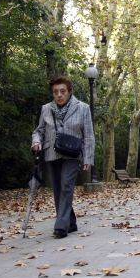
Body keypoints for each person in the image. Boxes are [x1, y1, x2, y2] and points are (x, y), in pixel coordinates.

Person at [31, 77, 95, 239]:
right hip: (52, 153)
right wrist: (36, 141)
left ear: (69, 91)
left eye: (62, 91)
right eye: (55, 92)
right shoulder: (46, 109)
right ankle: (71, 222)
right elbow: (39, 131)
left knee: (66, 185)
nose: (59, 95)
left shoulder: (83, 108)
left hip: (72, 154)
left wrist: (88, 158)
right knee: (58, 189)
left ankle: (61, 226)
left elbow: (88, 135)